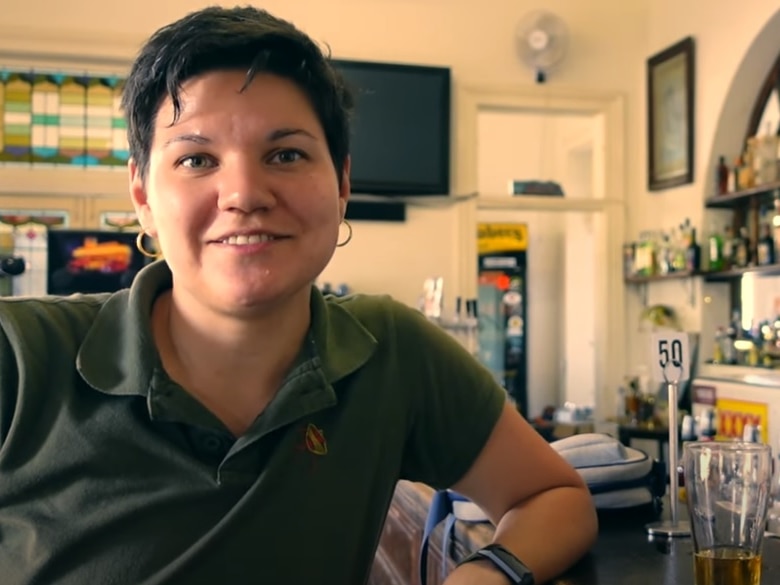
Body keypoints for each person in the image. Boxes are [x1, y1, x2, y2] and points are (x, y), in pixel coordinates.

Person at [0, 6, 597, 585]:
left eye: (285, 154)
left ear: (341, 184)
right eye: (196, 158)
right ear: (143, 197)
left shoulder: (390, 351)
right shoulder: (20, 357)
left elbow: (554, 496)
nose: (244, 193)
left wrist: (487, 572)